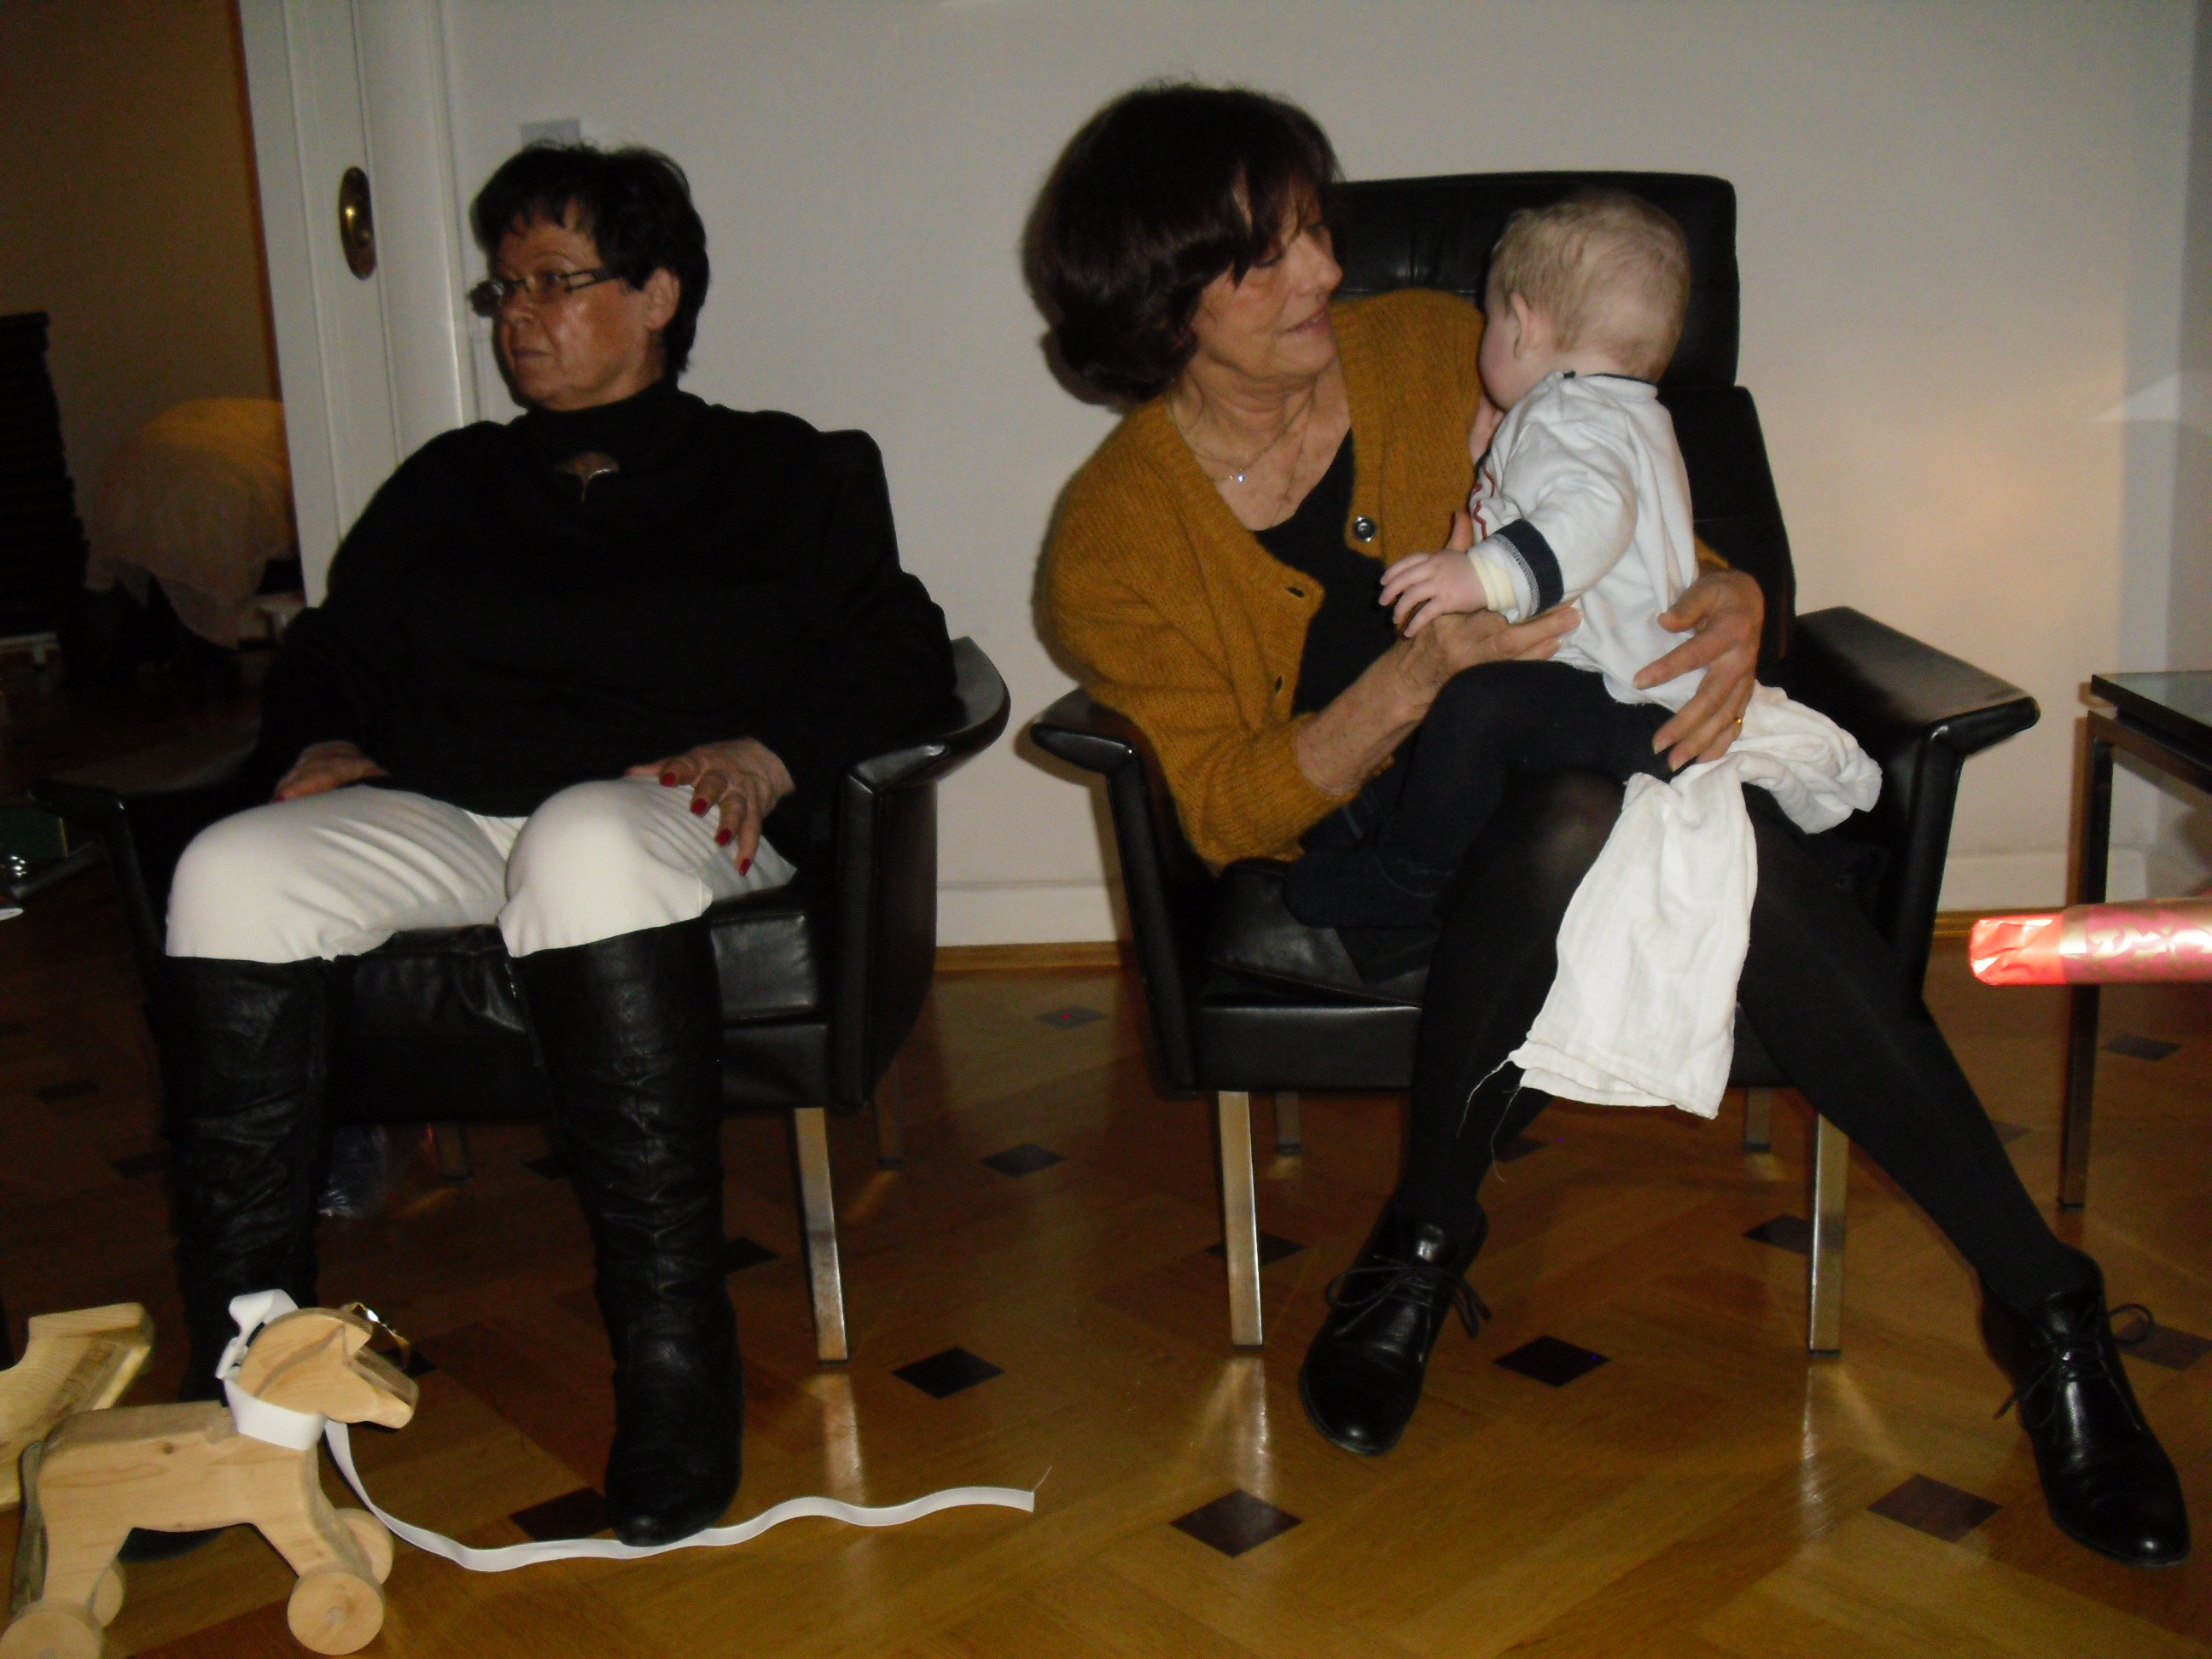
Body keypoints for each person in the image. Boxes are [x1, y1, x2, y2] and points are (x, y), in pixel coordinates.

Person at [1034, 82, 2186, 1569]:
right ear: (1159, 298)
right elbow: (1223, 807)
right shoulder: (1112, 538)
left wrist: (1738, 596)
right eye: (1271, 255)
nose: (1325, 268)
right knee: (1613, 813)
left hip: (1575, 761)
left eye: (1318, 228)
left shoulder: (1426, 344)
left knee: (1626, 814)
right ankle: (2047, 1303)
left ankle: (1435, 1244)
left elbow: (1630, 513)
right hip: (1380, 837)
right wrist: (1420, 676)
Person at [159, 143, 956, 1549]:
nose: (517, 314)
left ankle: (675, 1364)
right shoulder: (451, 480)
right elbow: (335, 648)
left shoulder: (780, 467)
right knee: (229, 870)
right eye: (505, 288)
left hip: (675, 813)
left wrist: (770, 751)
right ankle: (247, 1376)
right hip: (457, 809)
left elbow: (902, 653)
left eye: (555, 281)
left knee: (583, 838)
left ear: (657, 294)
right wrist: (322, 736)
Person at [1285, 188, 1715, 928]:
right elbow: (1575, 494)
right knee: (1468, 715)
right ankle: (1374, 824)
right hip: (1642, 702)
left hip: (1626, 700)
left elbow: (1591, 516)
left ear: (1524, 325)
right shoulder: (1624, 416)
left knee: (1478, 706)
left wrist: (1479, 574)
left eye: (1489, 320)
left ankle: (1407, 881)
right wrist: (1496, 458)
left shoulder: (1568, 415)